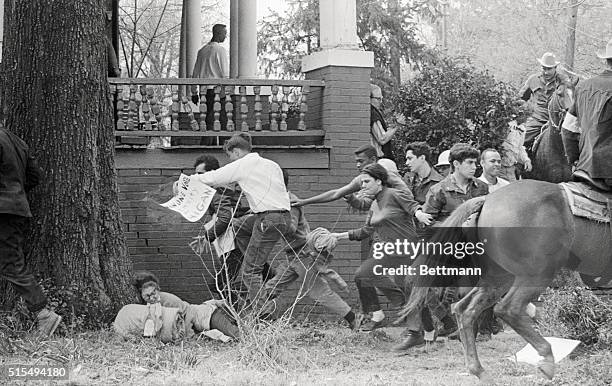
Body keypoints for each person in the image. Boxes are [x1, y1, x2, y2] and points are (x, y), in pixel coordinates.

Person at [188, 133, 292, 311]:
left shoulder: (243, 164)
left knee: (250, 272)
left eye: (230, 156)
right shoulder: (272, 165)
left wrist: (186, 181)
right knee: (237, 227)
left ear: (236, 152)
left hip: (266, 219)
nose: (230, 160)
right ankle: (261, 266)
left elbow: (213, 177)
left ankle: (262, 315)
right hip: (282, 217)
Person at [330, 164, 431, 331]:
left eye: (367, 182)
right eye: (361, 183)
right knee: (364, 275)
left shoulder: (392, 194)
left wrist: (420, 214)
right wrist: (338, 236)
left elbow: (412, 206)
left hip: (406, 249)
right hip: (389, 250)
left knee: (410, 291)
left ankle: (432, 328)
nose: (362, 186)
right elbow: (366, 230)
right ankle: (381, 314)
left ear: (379, 181)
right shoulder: (374, 204)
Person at [260, 170, 362, 329]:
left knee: (319, 292)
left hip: (303, 255)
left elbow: (292, 228)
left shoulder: (288, 203)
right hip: (293, 255)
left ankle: (354, 318)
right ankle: (262, 321)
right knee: (272, 287)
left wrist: (271, 224)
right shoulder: (280, 201)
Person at [0, 127, 62, 337]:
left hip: (3, 212)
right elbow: (35, 176)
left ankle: (44, 314)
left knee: (11, 264)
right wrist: (15, 192)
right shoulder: (17, 141)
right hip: (16, 208)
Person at [190, 155, 274, 306]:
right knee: (259, 273)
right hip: (238, 240)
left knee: (221, 284)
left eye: (201, 174)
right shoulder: (226, 188)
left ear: (212, 173)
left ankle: (239, 313)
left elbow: (225, 218)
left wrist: (206, 237)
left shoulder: (217, 192)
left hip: (233, 243)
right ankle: (254, 303)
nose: (198, 178)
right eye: (196, 174)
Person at [562, 38, 612, 190]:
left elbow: (568, 130)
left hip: (584, 167)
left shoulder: (583, 87)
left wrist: (574, 160)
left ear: (606, 61)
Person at [292, 144, 408, 209]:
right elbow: (336, 193)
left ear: (373, 160)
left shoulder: (387, 173)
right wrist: (304, 201)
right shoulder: (362, 179)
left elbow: (407, 194)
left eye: (361, 161)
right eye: (356, 161)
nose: (358, 165)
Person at [133, 270, 239, 339]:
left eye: (154, 293)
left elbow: (188, 314)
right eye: (148, 296)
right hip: (202, 318)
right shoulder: (150, 306)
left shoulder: (167, 300)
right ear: (141, 295)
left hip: (206, 315)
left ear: (157, 289)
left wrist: (189, 336)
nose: (152, 298)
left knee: (237, 334)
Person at [421, 143, 489, 224]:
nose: (474, 167)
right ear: (456, 164)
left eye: (475, 163)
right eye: (470, 162)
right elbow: (427, 223)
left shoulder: (482, 187)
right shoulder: (438, 191)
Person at [519, 52, 571, 153]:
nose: (546, 72)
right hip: (537, 119)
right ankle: (524, 163)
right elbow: (521, 98)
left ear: (555, 68)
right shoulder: (533, 79)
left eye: (549, 69)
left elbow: (569, 98)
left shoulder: (563, 80)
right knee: (522, 139)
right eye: (544, 68)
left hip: (558, 120)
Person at [191, 24, 229, 132]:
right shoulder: (220, 50)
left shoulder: (201, 51)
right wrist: (226, 92)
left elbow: (195, 74)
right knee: (221, 121)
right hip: (217, 91)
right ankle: (218, 146)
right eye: (224, 33)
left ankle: (207, 145)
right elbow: (225, 74)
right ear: (218, 33)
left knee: (207, 120)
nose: (225, 36)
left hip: (204, 93)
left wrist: (194, 92)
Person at [370, 84, 396, 160]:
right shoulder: (373, 113)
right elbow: (382, 139)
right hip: (379, 159)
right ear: (369, 98)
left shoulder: (373, 112)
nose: (380, 102)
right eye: (378, 99)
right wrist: (398, 126)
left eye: (381, 99)